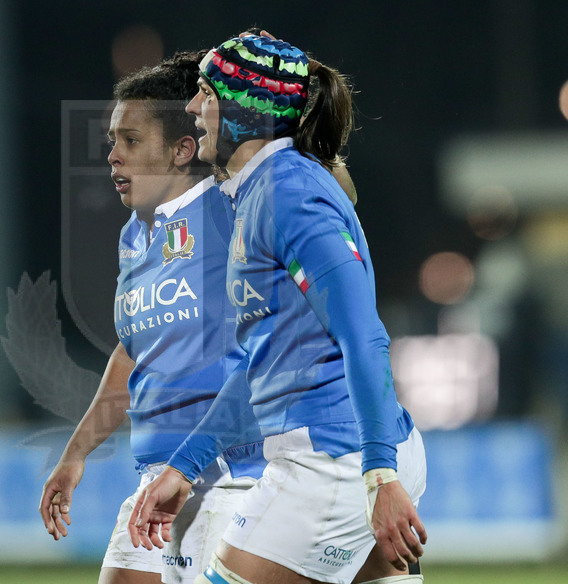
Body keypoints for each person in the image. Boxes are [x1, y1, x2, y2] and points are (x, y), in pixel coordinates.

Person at [126, 34, 428, 584]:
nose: (193, 108)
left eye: (205, 94)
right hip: (344, 455)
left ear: (244, 109)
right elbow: (263, 368)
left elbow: (363, 336)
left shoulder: (290, 193)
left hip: (335, 462)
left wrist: (379, 475)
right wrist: (183, 467)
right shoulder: (259, 190)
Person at [39, 50, 266, 584]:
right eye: (112, 142)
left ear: (184, 149)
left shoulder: (235, 214)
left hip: (233, 476)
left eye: (131, 141)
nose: (112, 157)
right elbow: (132, 351)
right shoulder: (135, 236)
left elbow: (274, 348)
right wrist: (75, 455)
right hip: (155, 479)